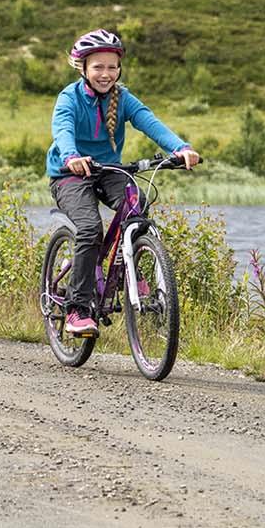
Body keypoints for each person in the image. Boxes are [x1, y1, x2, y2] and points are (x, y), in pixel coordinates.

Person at [45, 28, 200, 336]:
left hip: (108, 170)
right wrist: (72, 156)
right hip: (69, 174)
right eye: (98, 67)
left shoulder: (123, 98)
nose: (106, 73)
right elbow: (61, 130)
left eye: (112, 67)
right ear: (83, 68)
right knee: (90, 228)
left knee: (137, 204)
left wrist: (180, 148)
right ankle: (77, 308)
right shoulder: (69, 98)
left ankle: (130, 268)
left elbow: (150, 122)